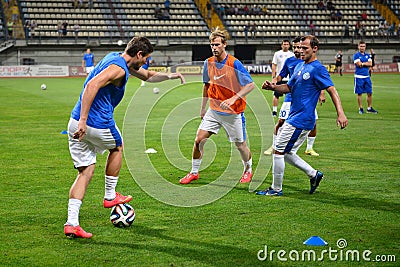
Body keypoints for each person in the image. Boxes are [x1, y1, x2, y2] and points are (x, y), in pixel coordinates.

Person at [64, 36, 185, 238]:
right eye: (146, 57)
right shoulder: (119, 69)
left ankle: (72, 223)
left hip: (74, 122)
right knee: (117, 147)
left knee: (85, 172)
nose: (146, 61)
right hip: (94, 123)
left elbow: (147, 75)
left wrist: (171, 76)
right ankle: (110, 195)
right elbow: (92, 85)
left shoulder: (116, 59)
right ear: (139, 54)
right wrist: (85, 121)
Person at [257, 35, 348, 196]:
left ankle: (275, 189)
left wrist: (340, 113)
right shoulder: (300, 66)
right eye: (299, 47)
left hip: (301, 118)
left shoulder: (317, 68)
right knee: (286, 153)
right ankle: (314, 174)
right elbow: (289, 87)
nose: (301, 50)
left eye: (305, 48)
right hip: (295, 116)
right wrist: (273, 87)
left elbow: (332, 90)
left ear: (314, 49)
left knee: (278, 151)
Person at [179, 27, 255, 185]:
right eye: (212, 45)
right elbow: (206, 86)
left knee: (240, 145)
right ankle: (194, 172)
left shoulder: (234, 63)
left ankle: (248, 169)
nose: (214, 48)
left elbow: (250, 85)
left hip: (233, 112)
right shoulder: (208, 63)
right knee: (199, 140)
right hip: (214, 111)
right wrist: (202, 107)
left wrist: (234, 99)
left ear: (224, 44)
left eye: (217, 45)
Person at [264, 36, 323, 157]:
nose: (298, 50)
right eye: (295, 47)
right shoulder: (290, 61)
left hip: (306, 100)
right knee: (281, 122)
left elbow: (319, 81)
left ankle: (309, 148)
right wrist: (275, 81)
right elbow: (281, 75)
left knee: (313, 123)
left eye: (300, 47)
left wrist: (321, 93)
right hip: (290, 96)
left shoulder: (307, 62)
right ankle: (274, 145)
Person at [270, 40, 294, 117]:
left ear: (289, 46)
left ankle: (290, 111)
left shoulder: (292, 54)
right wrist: (274, 77)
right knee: (276, 95)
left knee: (290, 95)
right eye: (284, 44)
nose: (285, 45)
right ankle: (274, 111)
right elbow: (274, 65)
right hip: (279, 78)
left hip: (289, 78)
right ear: (281, 45)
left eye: (287, 44)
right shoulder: (277, 54)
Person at [353, 41, 378, 114]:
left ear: (365, 47)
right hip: (359, 76)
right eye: (361, 46)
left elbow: (370, 64)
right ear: (358, 47)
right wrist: (365, 64)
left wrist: (363, 63)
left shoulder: (368, 55)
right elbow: (358, 64)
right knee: (359, 93)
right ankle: (360, 108)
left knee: (369, 92)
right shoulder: (356, 55)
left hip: (367, 76)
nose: (362, 48)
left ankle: (369, 108)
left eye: (363, 46)